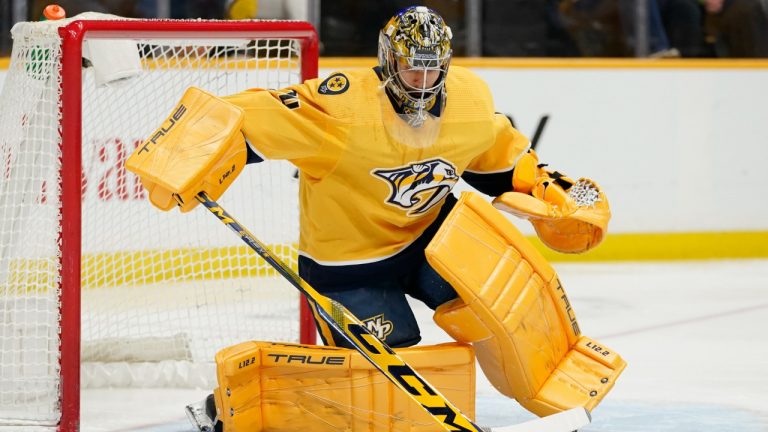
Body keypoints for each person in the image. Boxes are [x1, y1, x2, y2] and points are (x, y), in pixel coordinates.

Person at [127, 6, 625, 431]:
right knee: (387, 372)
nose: (424, 83)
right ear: (389, 63)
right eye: (413, 71)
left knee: (499, 311)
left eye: (434, 71)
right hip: (349, 261)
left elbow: (502, 158)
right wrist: (187, 152)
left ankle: (555, 384)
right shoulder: (342, 108)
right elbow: (252, 115)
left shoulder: (470, 103)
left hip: (435, 240)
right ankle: (236, 408)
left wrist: (553, 191)